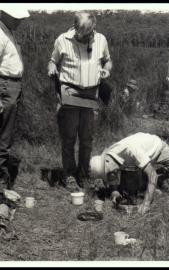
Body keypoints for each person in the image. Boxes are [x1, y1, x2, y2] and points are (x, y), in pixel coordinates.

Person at [47, 11, 112, 192]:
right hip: (70, 91)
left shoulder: (101, 40)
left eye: (91, 32)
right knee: (68, 138)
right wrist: (52, 69)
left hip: (92, 93)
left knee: (87, 138)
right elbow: (52, 61)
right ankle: (69, 175)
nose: (89, 36)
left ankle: (83, 173)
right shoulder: (62, 40)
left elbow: (108, 61)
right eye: (84, 34)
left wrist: (107, 70)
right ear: (75, 29)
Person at [89, 132, 169, 215]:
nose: (111, 176)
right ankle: (146, 179)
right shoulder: (109, 157)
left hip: (157, 149)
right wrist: (114, 191)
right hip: (137, 160)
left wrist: (146, 204)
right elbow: (111, 176)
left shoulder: (131, 150)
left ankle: (158, 178)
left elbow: (152, 174)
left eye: (109, 173)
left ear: (107, 162)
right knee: (133, 186)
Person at [0, 9, 30, 189]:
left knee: (6, 134)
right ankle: (1, 182)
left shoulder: (7, 31)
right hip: (4, 86)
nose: (19, 22)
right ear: (3, 14)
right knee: (3, 136)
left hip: (11, 85)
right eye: (16, 18)